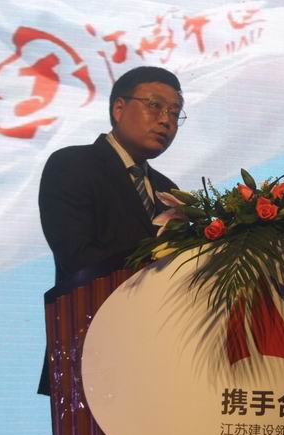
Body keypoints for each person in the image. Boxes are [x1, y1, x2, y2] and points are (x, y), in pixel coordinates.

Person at [37, 66, 185, 395]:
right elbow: (77, 256)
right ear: (119, 108)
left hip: (157, 360)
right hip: (88, 350)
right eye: (155, 106)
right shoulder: (72, 165)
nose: (166, 120)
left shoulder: (169, 191)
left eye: (175, 113)